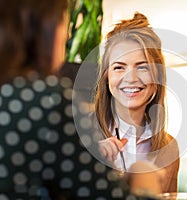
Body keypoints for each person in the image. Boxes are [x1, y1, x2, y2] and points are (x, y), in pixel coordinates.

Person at [0, 1, 143, 199]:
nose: (67, 36)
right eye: (62, 23)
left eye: (142, 66)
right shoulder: (49, 100)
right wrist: (146, 179)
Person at [93, 12, 180, 193]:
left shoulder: (169, 148)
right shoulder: (80, 136)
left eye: (142, 67)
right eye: (119, 67)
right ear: (106, 76)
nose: (131, 78)